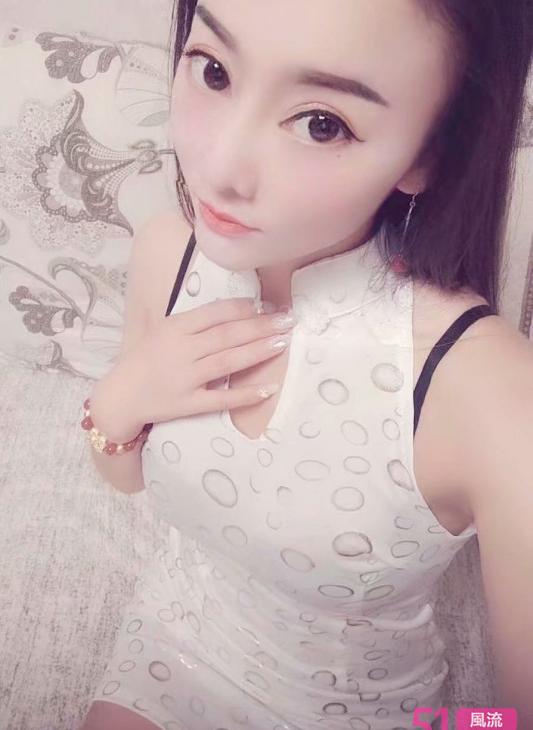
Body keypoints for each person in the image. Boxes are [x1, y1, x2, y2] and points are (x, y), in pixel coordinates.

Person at [79, 1, 533, 728]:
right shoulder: (169, 254)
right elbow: (124, 475)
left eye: (322, 123)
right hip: (176, 637)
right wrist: (120, 399)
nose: (219, 166)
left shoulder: (486, 391)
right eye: (214, 71)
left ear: (431, 151)